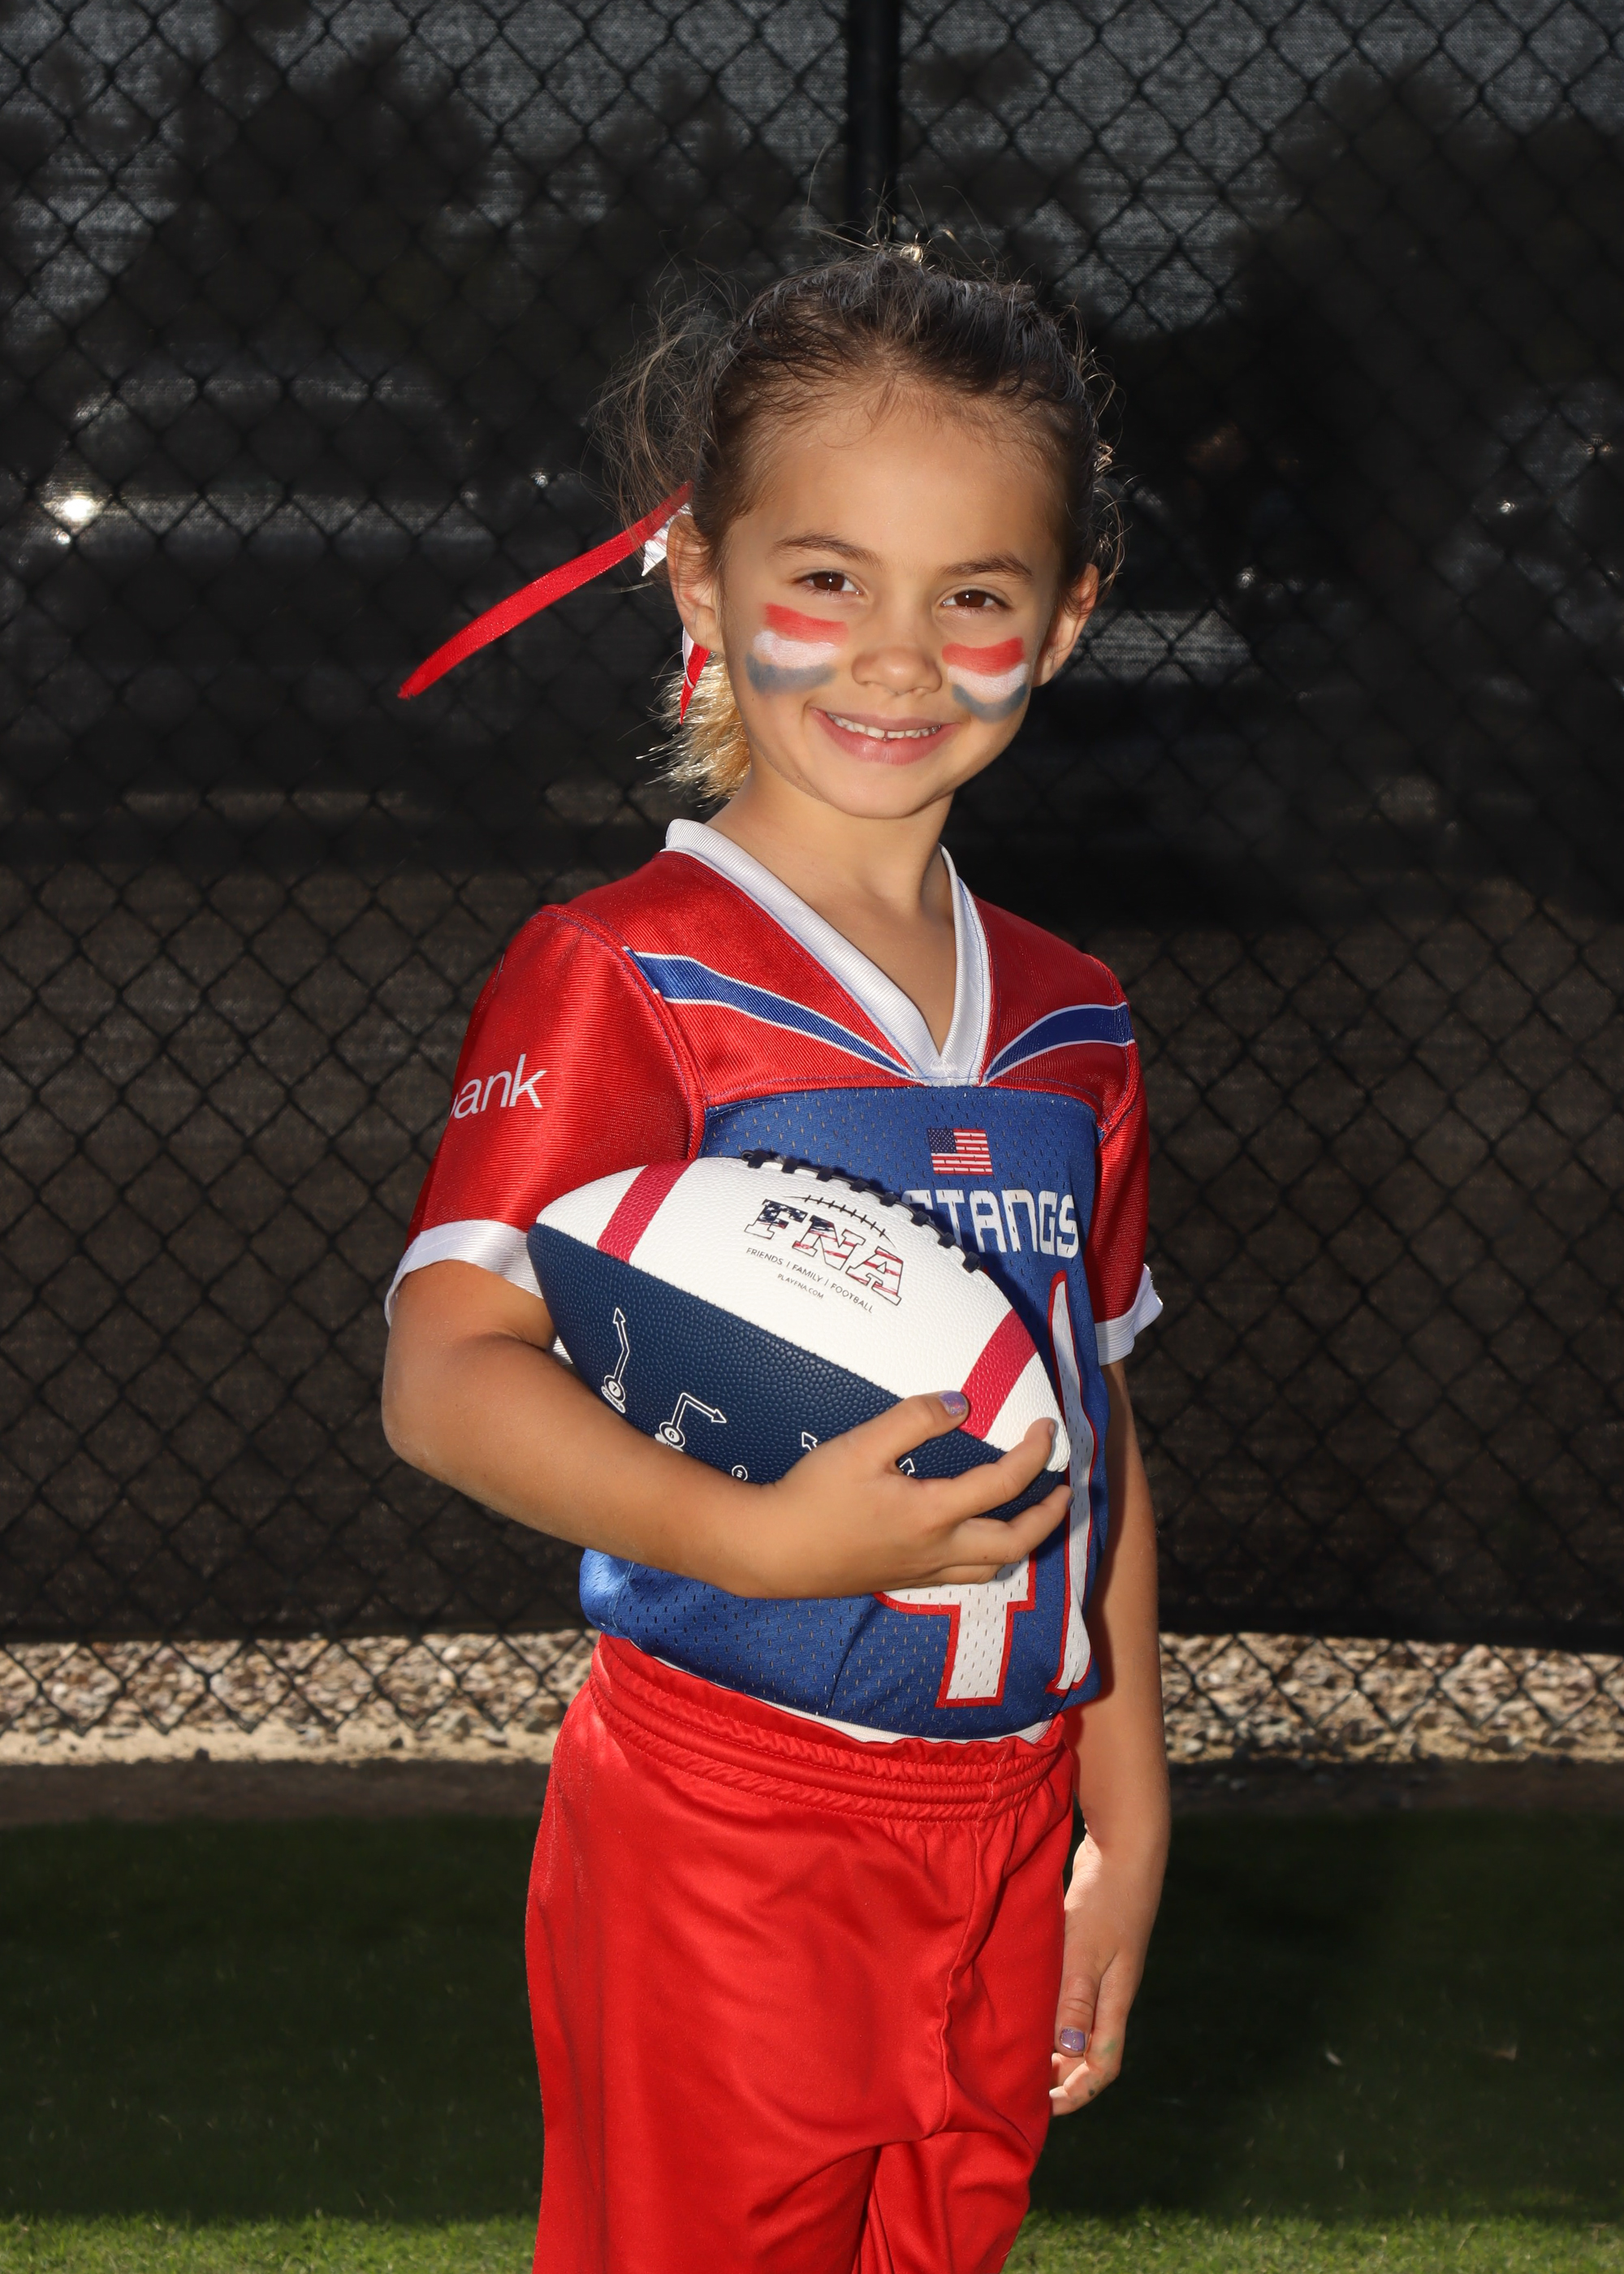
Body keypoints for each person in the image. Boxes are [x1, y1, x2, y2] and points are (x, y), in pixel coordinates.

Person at [382, 245, 1171, 2274]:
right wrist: (752, 1535)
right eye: (828, 578)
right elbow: (446, 1371)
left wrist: (1124, 1810)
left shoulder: (1073, 1015)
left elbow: (1087, 1420)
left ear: (1064, 620)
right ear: (700, 580)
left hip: (1007, 1813)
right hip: (728, 1807)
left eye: (972, 597)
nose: (898, 660)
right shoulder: (624, 972)